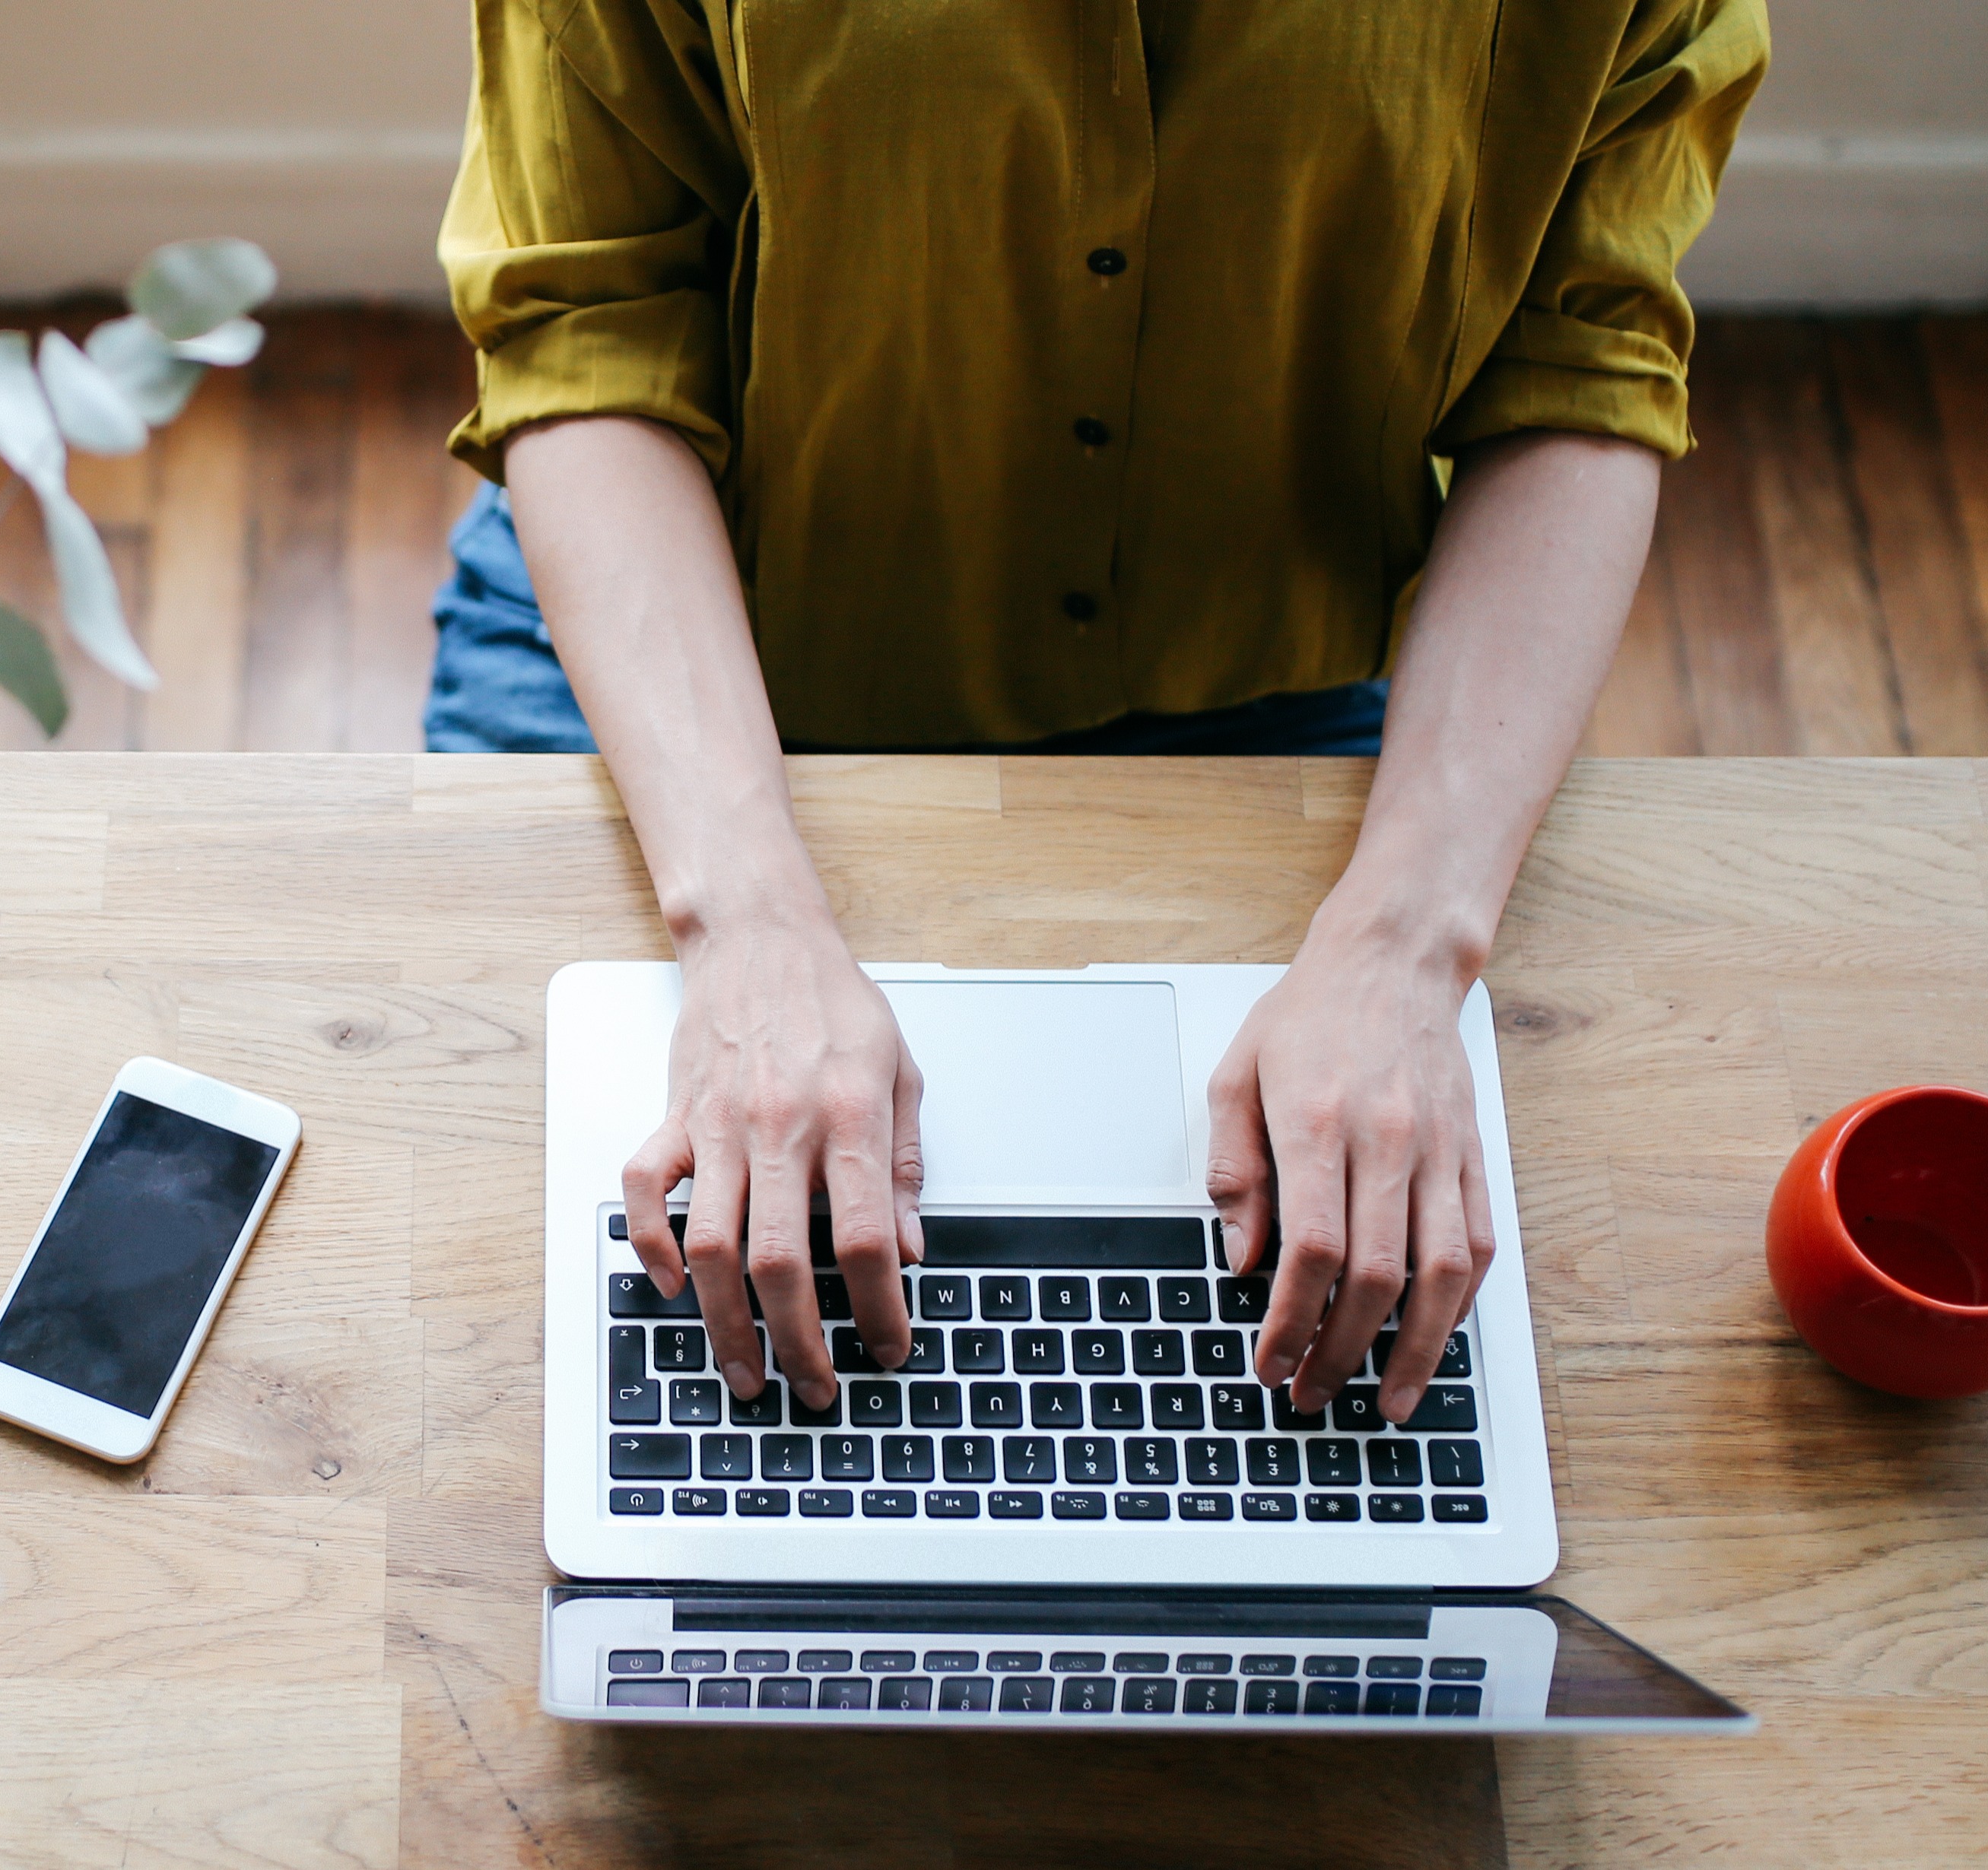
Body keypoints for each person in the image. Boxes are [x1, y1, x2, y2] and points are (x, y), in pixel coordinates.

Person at [430, 0, 1763, 1428]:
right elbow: (590, 322)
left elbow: (1581, 366)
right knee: (502, 1326)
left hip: (1266, 676)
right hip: (698, 637)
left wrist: (1407, 941)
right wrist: (745, 925)